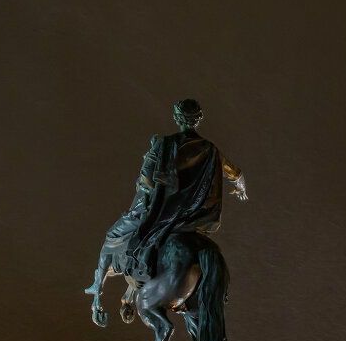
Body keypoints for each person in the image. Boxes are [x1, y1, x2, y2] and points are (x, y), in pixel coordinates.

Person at [86, 99, 247, 315]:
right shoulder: (210, 149)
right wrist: (241, 188)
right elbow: (235, 173)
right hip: (197, 218)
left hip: (163, 213)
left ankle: (99, 286)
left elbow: (147, 181)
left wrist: (143, 197)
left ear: (177, 118)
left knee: (112, 235)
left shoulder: (164, 144)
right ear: (198, 120)